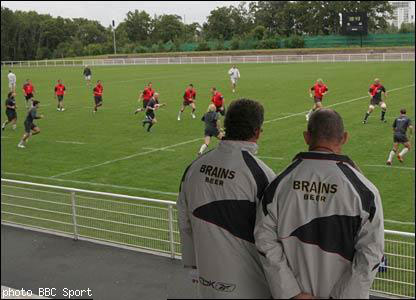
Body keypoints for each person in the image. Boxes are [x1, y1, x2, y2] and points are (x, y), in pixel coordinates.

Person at [255, 109, 384, 299]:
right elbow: (372, 252)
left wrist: (291, 292)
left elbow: (264, 240)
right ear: (344, 138)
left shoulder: (279, 184)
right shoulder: (365, 191)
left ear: (307, 137)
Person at [178, 99, 275, 299]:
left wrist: (194, 266)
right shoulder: (262, 174)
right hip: (250, 285)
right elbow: (271, 239)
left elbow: (184, 221)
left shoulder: (195, 167)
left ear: (224, 125)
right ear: (257, 132)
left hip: (205, 281)